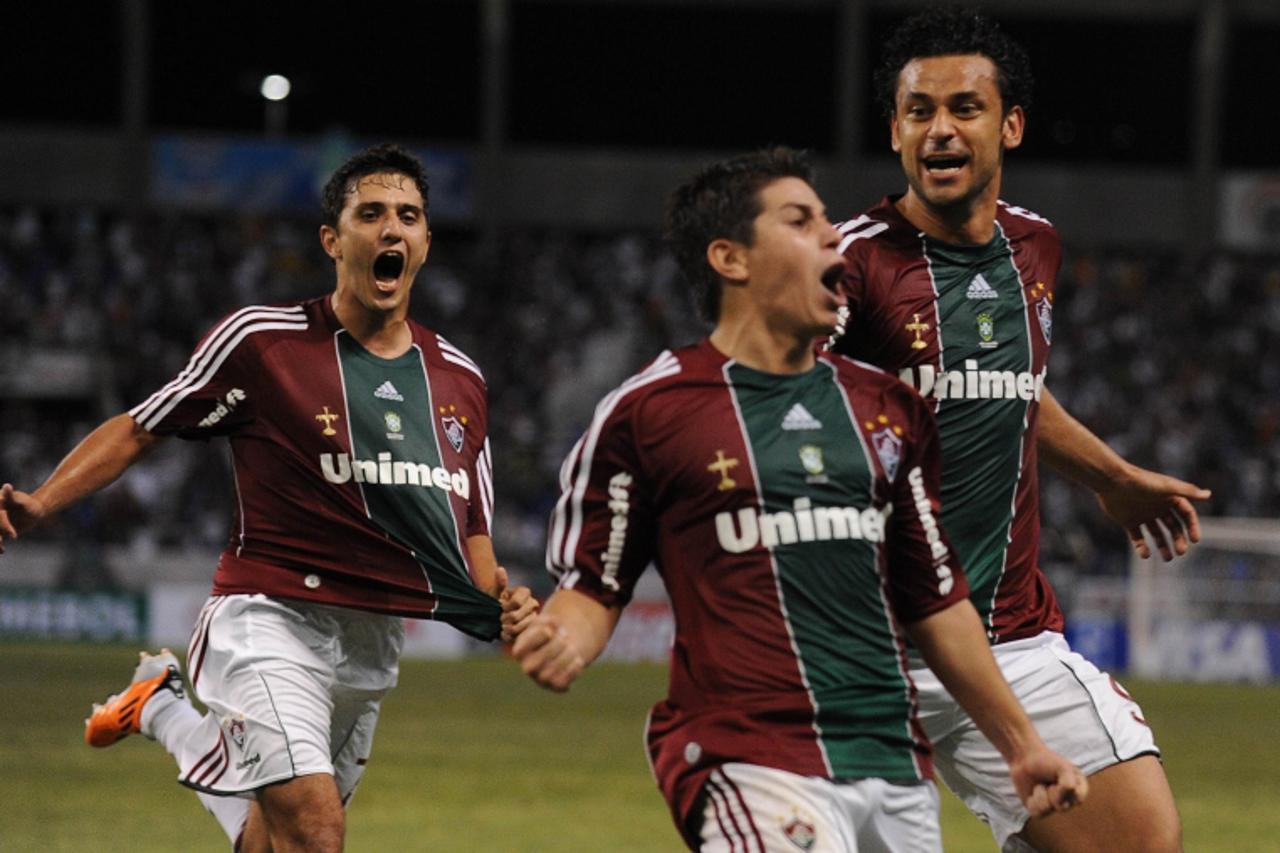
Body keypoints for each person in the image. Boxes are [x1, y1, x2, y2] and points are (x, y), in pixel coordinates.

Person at [513, 148, 1086, 851]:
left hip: (891, 763)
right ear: (731, 258)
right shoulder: (649, 413)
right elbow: (593, 588)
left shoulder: (887, 410)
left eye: (825, 219)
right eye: (800, 220)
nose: (829, 235)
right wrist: (562, 636)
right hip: (745, 756)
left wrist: (1022, 744)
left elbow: (935, 600)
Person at [0, 143, 536, 852]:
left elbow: (468, 524)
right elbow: (140, 428)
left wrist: (501, 601)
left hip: (372, 638)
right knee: (316, 830)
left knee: (271, 841)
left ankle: (161, 706)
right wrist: (42, 499)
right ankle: (166, 706)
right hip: (267, 617)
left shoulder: (461, 379)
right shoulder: (263, 342)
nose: (390, 229)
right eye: (369, 213)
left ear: (427, 242)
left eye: (408, 215)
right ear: (332, 239)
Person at [828, 9, 1209, 852]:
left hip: (1010, 636)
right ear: (894, 131)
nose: (940, 129)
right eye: (919, 110)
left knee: (1141, 840)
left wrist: (1108, 474)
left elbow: (1010, 391)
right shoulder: (846, 268)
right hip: (859, 654)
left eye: (964, 107)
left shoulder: (1033, 248)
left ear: (1010, 125)